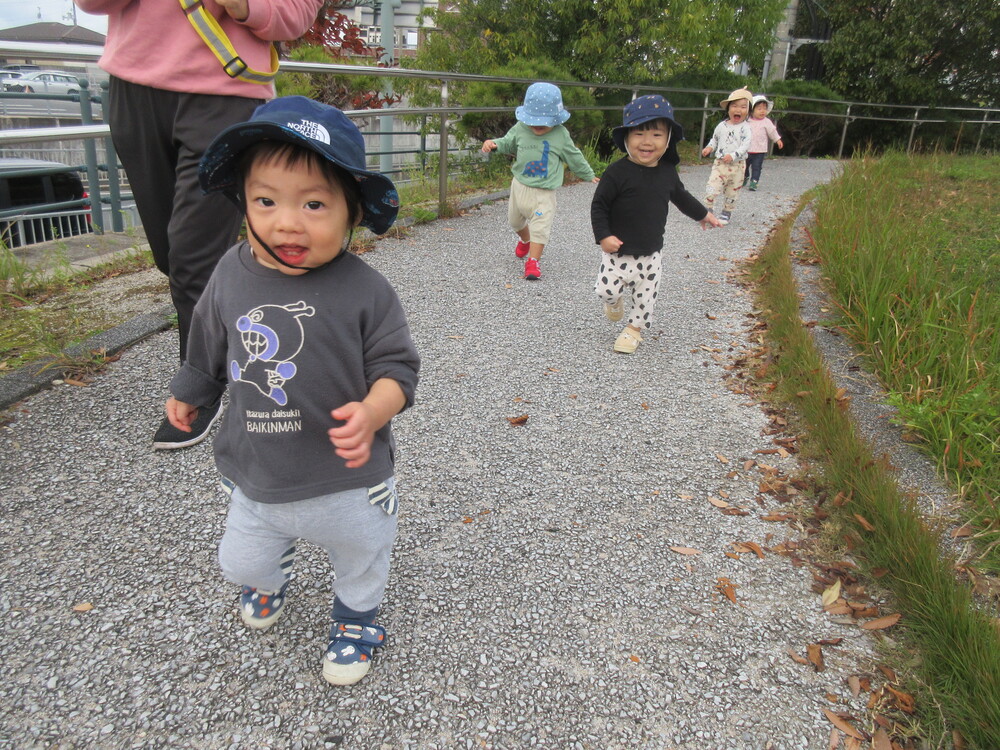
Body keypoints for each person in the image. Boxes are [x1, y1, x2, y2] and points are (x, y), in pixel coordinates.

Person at [163, 96, 420, 687]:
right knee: (242, 559)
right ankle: (269, 571)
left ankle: (356, 621)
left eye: (313, 203)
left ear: (352, 211)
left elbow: (398, 368)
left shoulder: (367, 290)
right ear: (242, 205)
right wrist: (192, 390)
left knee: (361, 556)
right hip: (259, 466)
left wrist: (373, 409)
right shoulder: (230, 272)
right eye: (266, 201)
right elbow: (207, 339)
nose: (287, 222)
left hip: (349, 474)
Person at [76, 0, 323, 450]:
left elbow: (297, 12)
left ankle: (200, 384)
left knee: (193, 257)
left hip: (226, 91)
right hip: (133, 85)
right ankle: (244, 317)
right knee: (170, 256)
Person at [591, 95, 721, 354]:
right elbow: (599, 206)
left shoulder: (667, 172)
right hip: (617, 252)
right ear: (627, 137)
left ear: (668, 138)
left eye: (656, 134)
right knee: (605, 291)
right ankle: (613, 300)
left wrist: (702, 214)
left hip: (650, 253)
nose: (647, 141)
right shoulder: (616, 172)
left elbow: (681, 198)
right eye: (638, 133)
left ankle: (633, 331)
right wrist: (603, 236)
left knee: (644, 297)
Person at [481, 82, 599, 280]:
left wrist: (588, 174)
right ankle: (525, 240)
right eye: (534, 120)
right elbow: (507, 141)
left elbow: (573, 156)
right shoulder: (520, 128)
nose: (537, 125)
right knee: (515, 222)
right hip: (520, 186)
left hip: (544, 192)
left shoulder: (560, 134)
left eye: (544, 121)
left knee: (540, 227)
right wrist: (494, 144)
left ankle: (533, 262)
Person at [700, 88, 753, 226]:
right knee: (712, 186)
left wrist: (733, 155)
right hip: (720, 164)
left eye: (743, 107)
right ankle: (708, 210)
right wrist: (709, 148)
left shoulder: (746, 128)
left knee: (732, 192)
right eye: (734, 106)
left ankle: (726, 212)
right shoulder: (721, 126)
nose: (738, 110)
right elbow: (715, 139)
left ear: (748, 111)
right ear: (728, 109)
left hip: (737, 165)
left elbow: (745, 146)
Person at [743, 94, 784, 191]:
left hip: (760, 150)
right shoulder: (747, 121)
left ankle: (754, 182)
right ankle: (745, 177)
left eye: (764, 108)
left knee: (757, 167)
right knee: (744, 166)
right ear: (752, 110)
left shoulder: (766, 122)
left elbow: (772, 131)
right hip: (746, 149)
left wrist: (777, 139)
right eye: (759, 108)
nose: (762, 111)